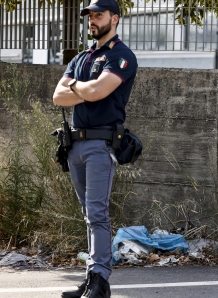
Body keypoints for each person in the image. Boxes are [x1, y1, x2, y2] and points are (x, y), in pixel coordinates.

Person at [52, 0, 138, 297]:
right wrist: (83, 89)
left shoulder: (121, 56)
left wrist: (76, 86)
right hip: (74, 145)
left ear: (114, 19)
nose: (92, 20)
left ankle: (100, 282)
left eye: (98, 15)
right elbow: (57, 97)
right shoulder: (81, 58)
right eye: (89, 16)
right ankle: (91, 278)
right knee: (88, 214)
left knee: (97, 214)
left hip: (101, 146)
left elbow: (98, 91)